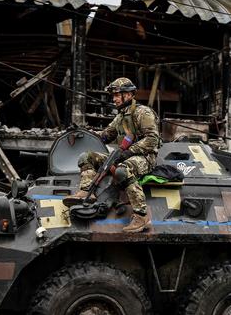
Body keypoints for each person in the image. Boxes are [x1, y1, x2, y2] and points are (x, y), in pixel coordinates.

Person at [63, 77, 159, 233]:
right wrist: (82, 132)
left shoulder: (143, 112)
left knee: (122, 170)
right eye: (113, 95)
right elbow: (105, 135)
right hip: (124, 154)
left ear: (128, 94)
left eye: (117, 95)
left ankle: (141, 216)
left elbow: (152, 140)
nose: (114, 99)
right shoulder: (120, 116)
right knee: (85, 157)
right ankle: (87, 191)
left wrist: (129, 151)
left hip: (146, 157)